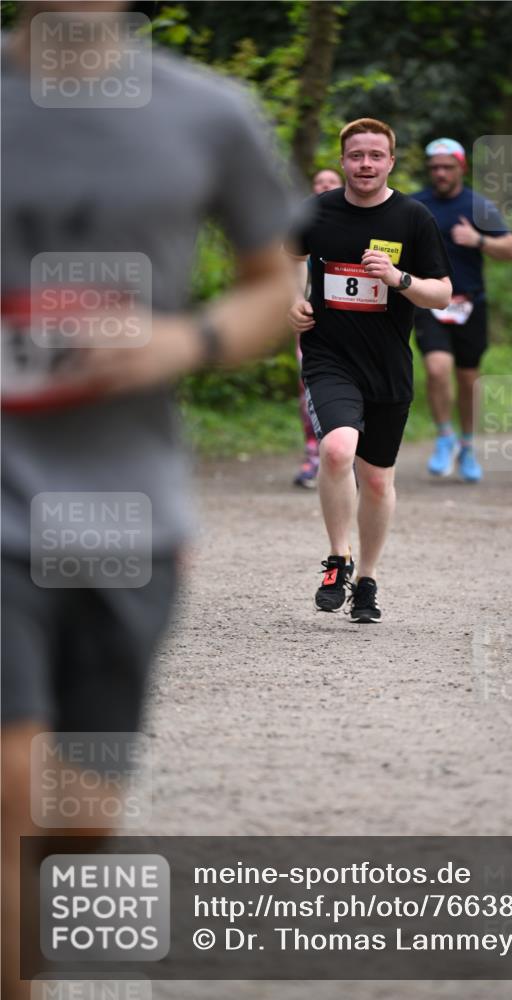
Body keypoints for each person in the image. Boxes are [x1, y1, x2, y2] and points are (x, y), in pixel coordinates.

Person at [1, 4, 296, 997]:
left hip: (125, 511)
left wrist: (185, 339)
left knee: (77, 816)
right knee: (9, 797)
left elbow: (274, 284)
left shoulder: (209, 112)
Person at [288, 118, 451, 623]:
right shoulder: (316, 211)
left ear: (391, 162)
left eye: (375, 156)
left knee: (377, 482)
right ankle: (338, 559)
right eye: (356, 155)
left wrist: (400, 278)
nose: (365, 164)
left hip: (387, 365)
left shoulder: (413, 217)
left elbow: (442, 294)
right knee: (338, 449)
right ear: (342, 161)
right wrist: (293, 298)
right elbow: (287, 257)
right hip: (329, 356)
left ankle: (367, 580)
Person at [412, 138, 512, 482]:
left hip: (470, 303)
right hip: (429, 300)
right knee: (437, 368)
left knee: (467, 378)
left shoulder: (478, 206)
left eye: (447, 167)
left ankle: (468, 445)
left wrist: (479, 240)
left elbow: (511, 249)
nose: (441, 174)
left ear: (462, 168)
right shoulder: (415, 205)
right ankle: (445, 436)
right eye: (435, 168)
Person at [293, 167, 343, 488]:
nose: (324, 186)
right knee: (308, 385)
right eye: (319, 182)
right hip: (310, 317)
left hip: (353, 321)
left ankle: (350, 456)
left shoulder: (358, 220)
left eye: (331, 182)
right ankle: (314, 453)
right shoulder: (300, 224)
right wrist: (295, 300)